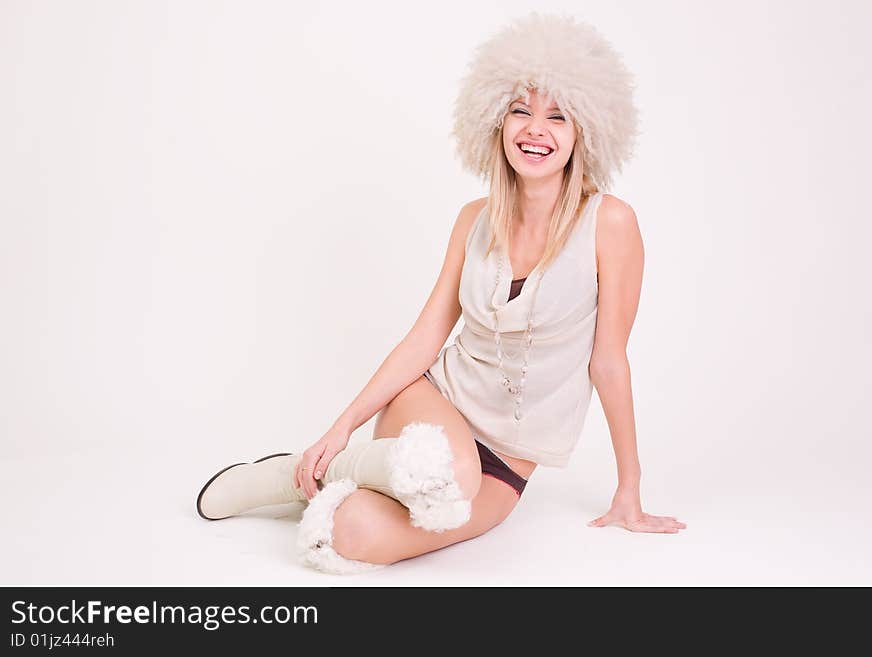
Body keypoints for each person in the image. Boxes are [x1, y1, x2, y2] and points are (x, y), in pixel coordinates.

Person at [195, 11, 686, 575]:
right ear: (495, 123)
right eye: (520, 111)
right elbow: (428, 335)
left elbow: (609, 361)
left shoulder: (611, 224)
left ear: (585, 133)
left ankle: (334, 483)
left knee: (349, 533)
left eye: (558, 116)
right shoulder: (473, 219)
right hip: (431, 408)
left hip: (508, 463)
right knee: (452, 471)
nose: (535, 129)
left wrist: (630, 488)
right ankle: (294, 471)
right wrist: (343, 424)